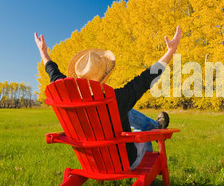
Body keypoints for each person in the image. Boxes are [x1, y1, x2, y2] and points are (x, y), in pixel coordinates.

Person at [34, 26, 181, 170]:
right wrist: (171, 51)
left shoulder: (68, 99)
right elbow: (146, 78)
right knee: (136, 127)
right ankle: (153, 130)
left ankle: (154, 125)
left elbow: (54, 75)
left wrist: (43, 52)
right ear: (105, 75)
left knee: (121, 111)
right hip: (125, 162)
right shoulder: (116, 99)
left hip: (91, 163)